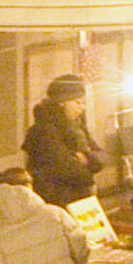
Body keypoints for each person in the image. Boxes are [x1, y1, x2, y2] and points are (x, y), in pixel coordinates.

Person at [23, 74, 107, 207]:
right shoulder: (43, 131)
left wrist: (87, 159)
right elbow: (66, 169)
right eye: (77, 102)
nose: (82, 107)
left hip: (80, 200)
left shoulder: (78, 127)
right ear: (62, 102)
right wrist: (89, 170)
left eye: (83, 103)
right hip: (57, 201)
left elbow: (102, 156)